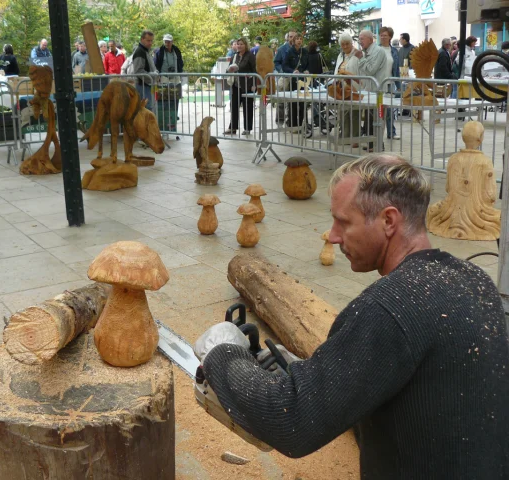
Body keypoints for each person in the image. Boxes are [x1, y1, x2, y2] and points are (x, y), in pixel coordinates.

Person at [196, 153, 509, 479]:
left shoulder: (389, 309)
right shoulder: (477, 282)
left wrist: (221, 353)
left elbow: (290, 420)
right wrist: (319, 376)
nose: (332, 235)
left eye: (343, 222)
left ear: (389, 221)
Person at [355, 30, 387, 152]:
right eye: (359, 39)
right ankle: (371, 144)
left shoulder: (378, 51)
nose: (360, 41)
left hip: (377, 92)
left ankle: (378, 144)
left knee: (377, 118)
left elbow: (371, 70)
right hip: (368, 91)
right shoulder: (366, 52)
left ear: (370, 39)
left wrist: (360, 58)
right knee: (369, 118)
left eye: (362, 39)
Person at [224, 37, 256, 136]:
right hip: (235, 85)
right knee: (233, 107)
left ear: (246, 45)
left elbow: (255, 70)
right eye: (238, 44)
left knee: (248, 107)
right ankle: (232, 127)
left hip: (247, 85)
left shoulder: (250, 55)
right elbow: (227, 70)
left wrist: (254, 84)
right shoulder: (234, 56)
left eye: (241, 44)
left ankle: (247, 128)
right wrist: (230, 69)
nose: (239, 46)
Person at [334, 33, 361, 146]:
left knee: (354, 113)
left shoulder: (357, 54)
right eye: (342, 44)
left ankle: (355, 139)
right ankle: (345, 136)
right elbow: (336, 69)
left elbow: (360, 71)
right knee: (343, 113)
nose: (345, 46)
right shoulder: (340, 56)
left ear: (351, 43)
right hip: (342, 88)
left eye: (347, 44)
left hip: (354, 87)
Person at [283, 32, 309, 129]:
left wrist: (307, 70)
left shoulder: (305, 51)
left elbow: (308, 64)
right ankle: (293, 125)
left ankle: (302, 124)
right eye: (297, 39)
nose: (299, 40)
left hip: (303, 81)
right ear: (293, 41)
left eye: (300, 39)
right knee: (293, 104)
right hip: (293, 81)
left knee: (303, 103)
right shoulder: (289, 52)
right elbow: (284, 66)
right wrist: (292, 71)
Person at [379, 27, 400, 140]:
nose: (383, 37)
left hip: (390, 83)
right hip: (377, 83)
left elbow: (396, 70)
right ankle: (377, 133)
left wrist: (399, 85)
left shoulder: (394, 51)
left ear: (390, 37)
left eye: (385, 35)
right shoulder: (376, 50)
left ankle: (391, 132)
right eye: (381, 35)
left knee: (389, 110)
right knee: (378, 110)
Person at [273, 31, 296, 125]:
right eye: (290, 37)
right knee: (281, 100)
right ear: (287, 38)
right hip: (285, 77)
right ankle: (280, 119)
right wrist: (281, 71)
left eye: (294, 37)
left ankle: (291, 120)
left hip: (296, 79)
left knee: (293, 100)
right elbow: (276, 62)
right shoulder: (282, 49)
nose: (292, 39)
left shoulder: (299, 49)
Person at [132, 30, 158, 110]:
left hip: (148, 85)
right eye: (148, 40)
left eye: (151, 41)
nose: (150, 43)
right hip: (142, 86)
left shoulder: (145, 51)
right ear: (142, 39)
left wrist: (155, 73)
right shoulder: (140, 51)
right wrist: (152, 75)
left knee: (149, 108)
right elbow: (138, 71)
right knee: (146, 109)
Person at [306, 41, 324, 128]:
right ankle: (318, 117)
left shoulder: (307, 56)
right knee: (318, 99)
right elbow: (320, 68)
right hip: (318, 79)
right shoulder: (318, 55)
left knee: (312, 100)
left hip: (309, 79)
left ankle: (314, 117)